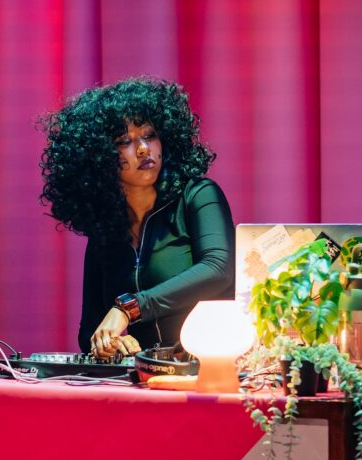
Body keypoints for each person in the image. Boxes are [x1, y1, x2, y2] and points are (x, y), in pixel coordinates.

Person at [39, 76, 235, 359]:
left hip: (203, 371)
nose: (143, 148)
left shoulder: (198, 196)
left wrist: (130, 308)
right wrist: (109, 345)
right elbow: (89, 330)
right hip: (140, 381)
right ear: (100, 157)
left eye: (150, 135)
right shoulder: (105, 231)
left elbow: (217, 269)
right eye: (124, 141)